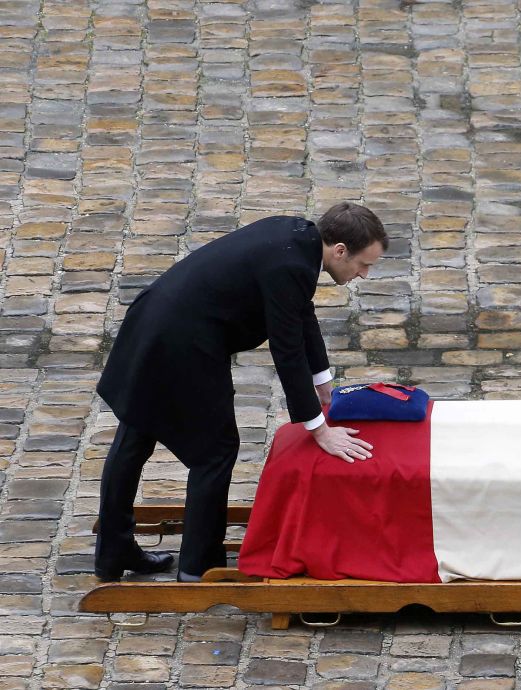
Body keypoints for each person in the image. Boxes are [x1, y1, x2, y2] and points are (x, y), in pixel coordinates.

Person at [94, 202, 385, 581]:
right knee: (213, 452)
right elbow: (286, 349)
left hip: (156, 323)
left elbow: (300, 313)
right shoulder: (292, 264)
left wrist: (323, 382)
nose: (364, 273)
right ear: (340, 250)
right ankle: (200, 566)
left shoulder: (297, 236)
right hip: (183, 343)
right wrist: (319, 430)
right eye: (364, 264)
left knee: (135, 436)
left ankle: (113, 553)